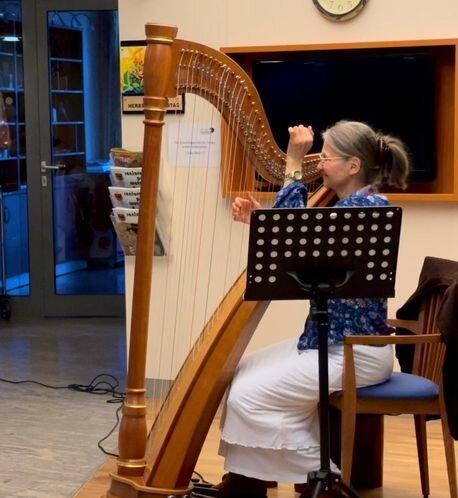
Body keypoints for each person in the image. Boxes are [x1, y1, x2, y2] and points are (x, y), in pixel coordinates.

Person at [215, 121, 411, 498]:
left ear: (353, 166)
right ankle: (247, 480)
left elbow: (297, 232)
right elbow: (302, 247)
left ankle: (322, 481)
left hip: (357, 351)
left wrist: (292, 161)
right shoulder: (349, 206)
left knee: (248, 395)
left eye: (327, 155)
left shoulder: (365, 209)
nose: (318, 163)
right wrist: (262, 218)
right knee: (241, 373)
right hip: (331, 341)